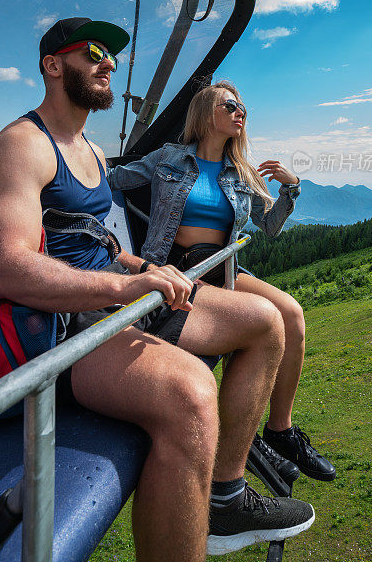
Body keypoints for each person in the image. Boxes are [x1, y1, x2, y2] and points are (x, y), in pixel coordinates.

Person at [0, 18, 315, 562]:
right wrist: (129, 283)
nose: (108, 63)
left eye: (111, 56)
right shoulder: (21, 147)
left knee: (267, 321)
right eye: (93, 53)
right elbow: (9, 270)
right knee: (190, 394)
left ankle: (224, 497)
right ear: (53, 66)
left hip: (115, 299)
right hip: (66, 328)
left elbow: (96, 242)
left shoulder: (86, 150)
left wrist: (143, 269)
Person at [108, 81, 336, 484]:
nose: (239, 112)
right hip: (178, 269)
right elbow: (114, 180)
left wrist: (291, 188)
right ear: (205, 113)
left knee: (294, 316)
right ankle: (238, 447)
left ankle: (280, 430)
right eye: (229, 105)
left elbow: (270, 226)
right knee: (261, 322)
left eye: (242, 107)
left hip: (224, 269)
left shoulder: (241, 171)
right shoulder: (168, 159)